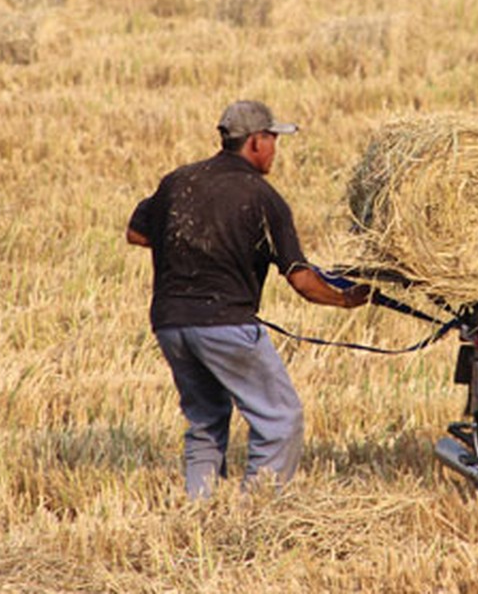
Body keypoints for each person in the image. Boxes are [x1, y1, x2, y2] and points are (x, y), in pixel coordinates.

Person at [127, 100, 371, 499]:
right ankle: (258, 515)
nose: (275, 149)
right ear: (256, 142)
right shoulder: (262, 197)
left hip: (171, 324)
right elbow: (304, 281)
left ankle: (198, 512)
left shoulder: (179, 181)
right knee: (280, 420)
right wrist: (345, 300)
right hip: (226, 324)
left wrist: (193, 248)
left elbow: (136, 233)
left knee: (206, 420)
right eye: (273, 140)